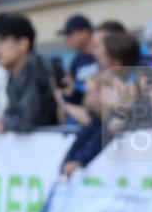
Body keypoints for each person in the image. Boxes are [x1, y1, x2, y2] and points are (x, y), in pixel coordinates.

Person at [61, 31, 142, 176]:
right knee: (89, 129)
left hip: (120, 137)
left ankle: (76, 162)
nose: (97, 56)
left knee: (101, 127)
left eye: (103, 55)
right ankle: (68, 163)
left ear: (117, 63)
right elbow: (93, 113)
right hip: (99, 127)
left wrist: (80, 161)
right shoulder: (102, 80)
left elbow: (112, 124)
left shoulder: (136, 83)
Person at [57, 14, 99, 105]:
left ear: (84, 32)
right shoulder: (76, 61)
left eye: (70, 34)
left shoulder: (103, 54)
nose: (67, 39)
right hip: (85, 109)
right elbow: (74, 94)